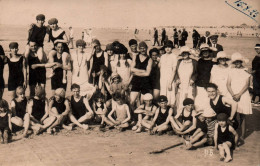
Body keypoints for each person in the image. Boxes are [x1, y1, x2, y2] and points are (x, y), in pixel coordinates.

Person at [227, 53, 252, 141]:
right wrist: (233, 95)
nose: (237, 63)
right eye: (235, 62)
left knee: (242, 116)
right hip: (232, 94)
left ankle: (242, 135)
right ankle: (231, 134)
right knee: (232, 115)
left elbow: (247, 85)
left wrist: (239, 95)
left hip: (243, 94)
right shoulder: (231, 71)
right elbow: (228, 84)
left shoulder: (246, 70)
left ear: (241, 62)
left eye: (239, 61)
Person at [130, 41, 153, 119]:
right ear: (139, 49)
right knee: (132, 101)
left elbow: (148, 74)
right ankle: (134, 117)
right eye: (141, 48)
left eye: (144, 48)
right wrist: (143, 71)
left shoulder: (149, 60)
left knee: (144, 102)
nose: (143, 50)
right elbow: (131, 69)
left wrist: (136, 73)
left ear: (146, 48)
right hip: (136, 82)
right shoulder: (135, 57)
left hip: (145, 82)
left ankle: (142, 118)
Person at [48, 18, 70, 84]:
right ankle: (52, 71)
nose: (53, 26)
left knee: (64, 58)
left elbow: (67, 40)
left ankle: (64, 77)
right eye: (51, 24)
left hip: (64, 48)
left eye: (54, 24)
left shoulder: (61, 31)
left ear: (56, 24)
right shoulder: (50, 30)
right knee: (50, 54)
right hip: (56, 48)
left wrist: (58, 40)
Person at [194, 44, 215, 111]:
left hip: (208, 84)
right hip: (199, 84)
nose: (205, 53)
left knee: (208, 101)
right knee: (199, 100)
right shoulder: (199, 60)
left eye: (207, 51)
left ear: (209, 52)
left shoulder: (213, 62)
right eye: (203, 52)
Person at [160, 40, 178, 108]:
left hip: (170, 79)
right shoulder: (162, 56)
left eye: (169, 47)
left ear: (172, 48)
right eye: (166, 47)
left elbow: (174, 70)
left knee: (170, 95)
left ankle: (171, 112)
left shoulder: (173, 56)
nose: (167, 49)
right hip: (163, 79)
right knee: (163, 94)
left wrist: (170, 82)